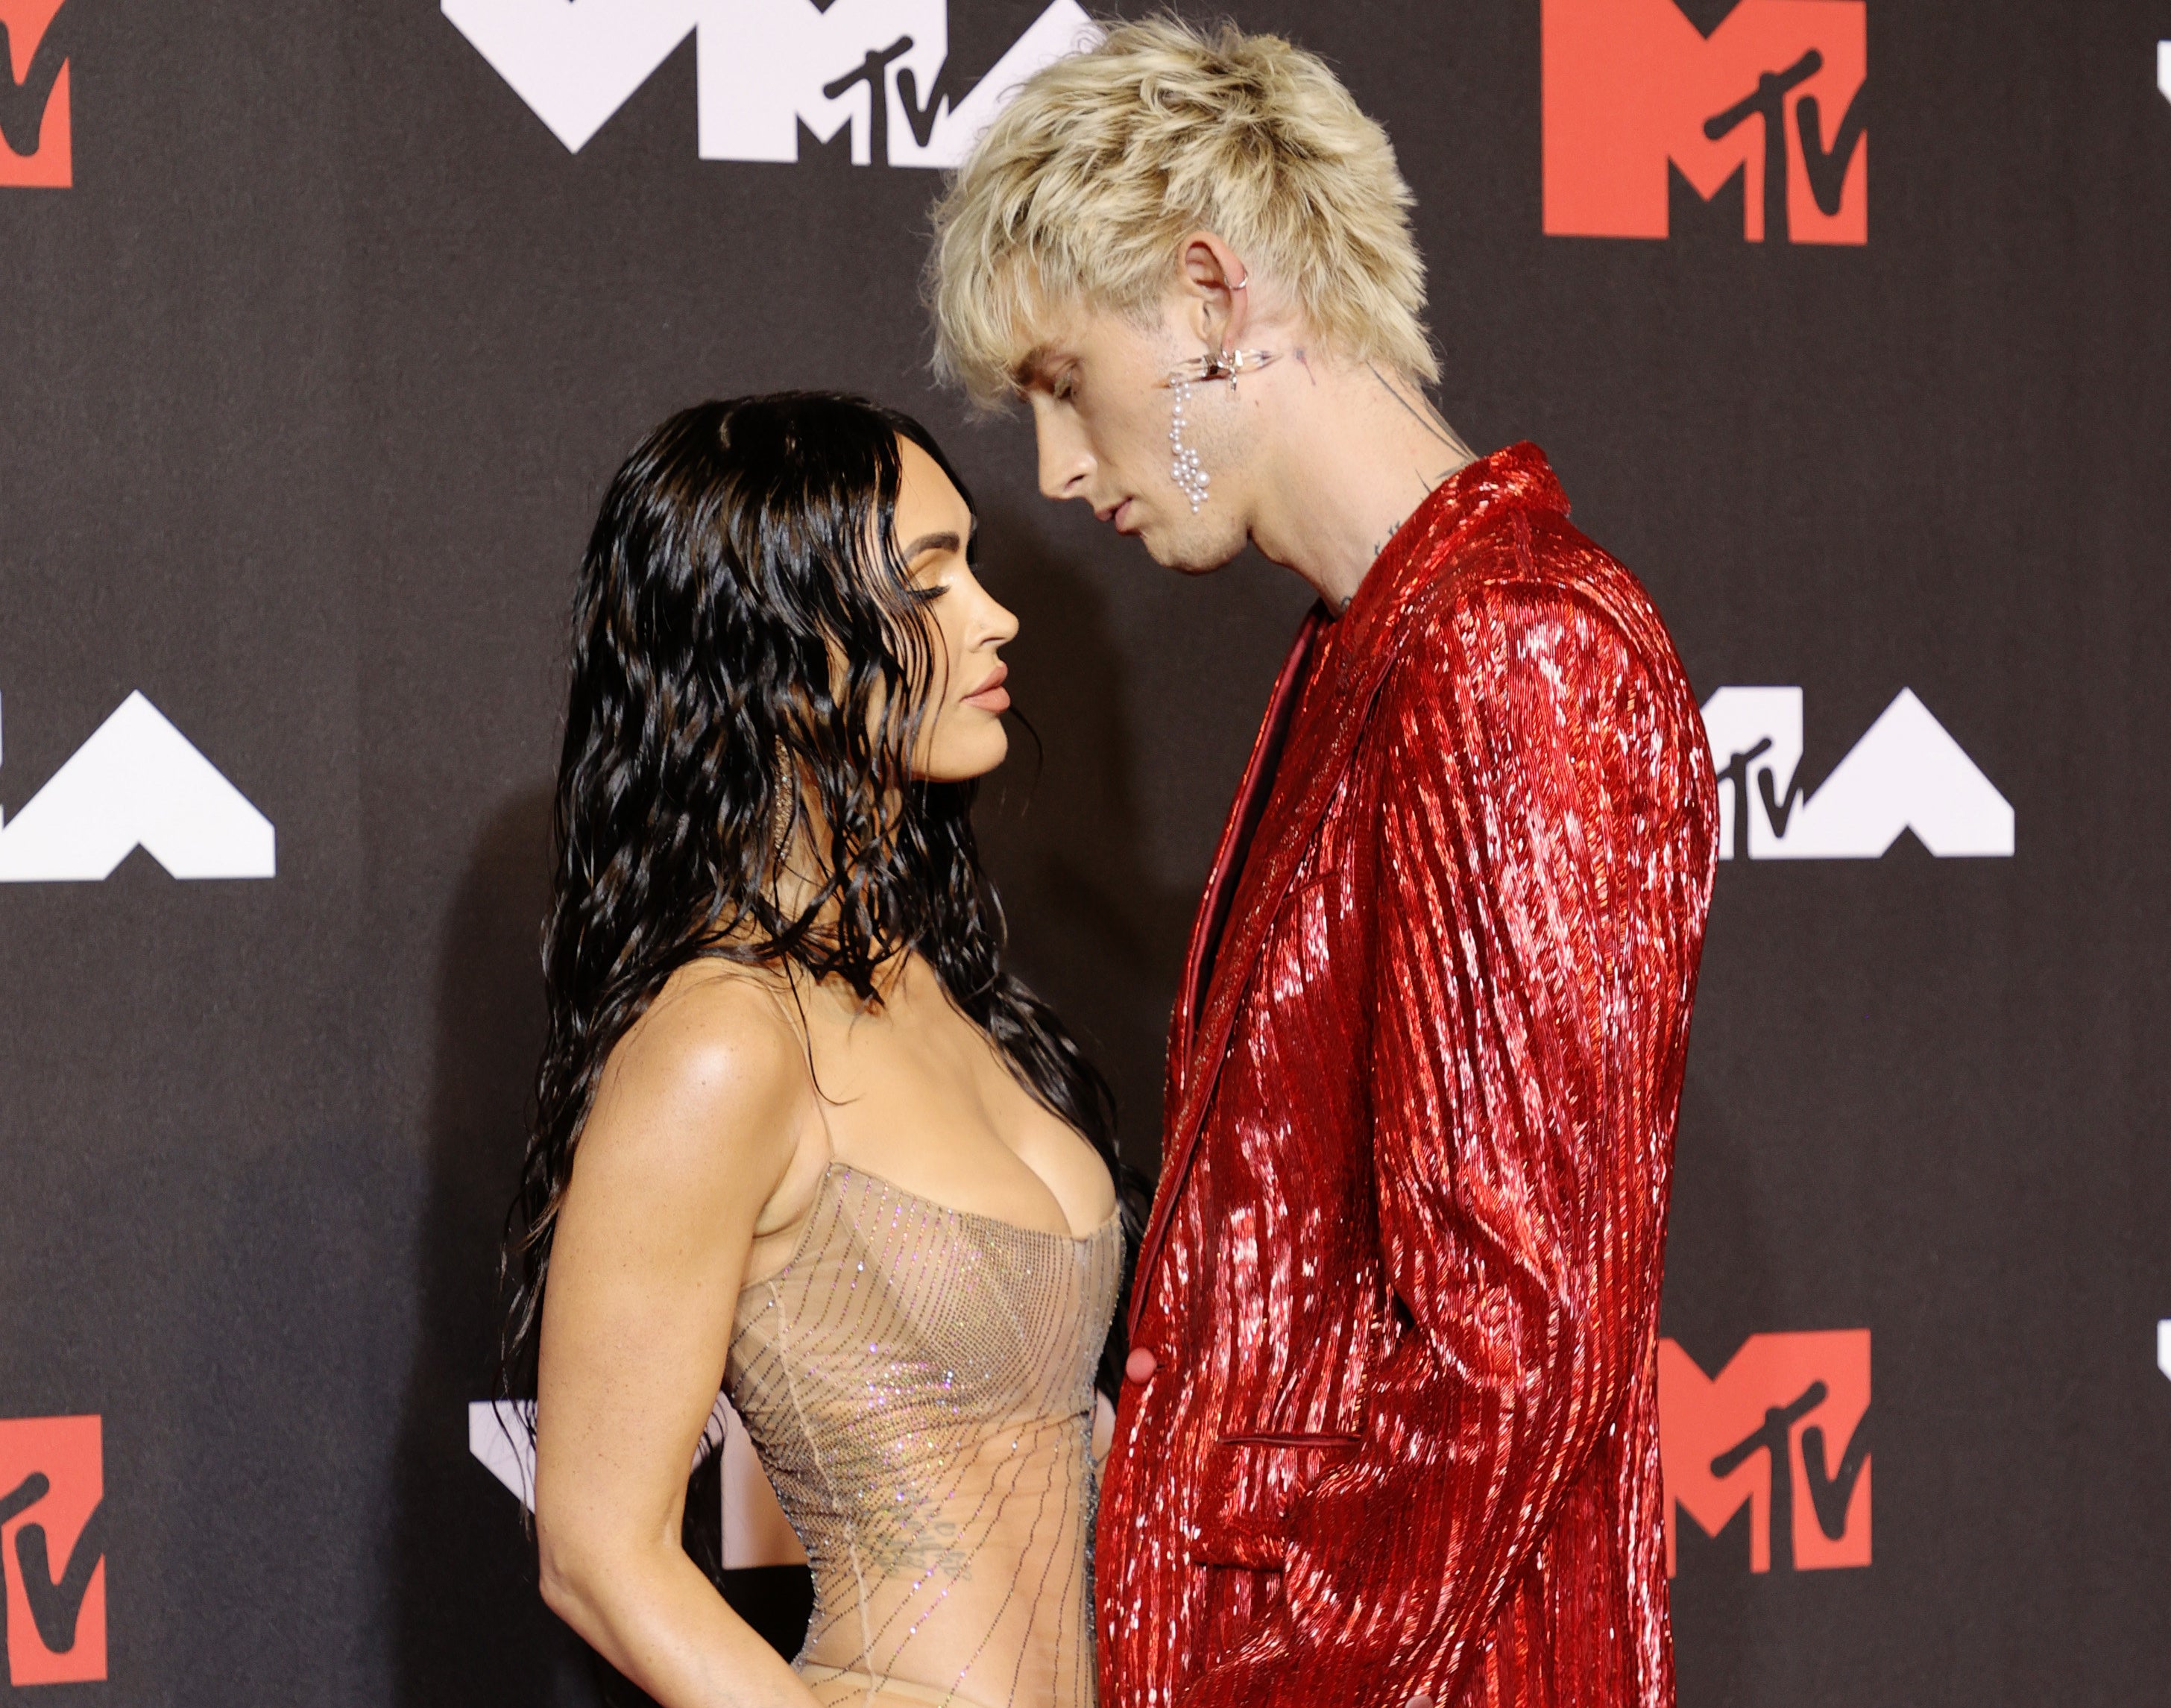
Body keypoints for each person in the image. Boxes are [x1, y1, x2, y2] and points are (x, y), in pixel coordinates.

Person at [929, 20, 1719, 1708]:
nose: (1060, 477)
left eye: (1068, 384)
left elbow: (1513, 1351)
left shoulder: (1511, 652)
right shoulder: (1376, 649)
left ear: (1213, 302)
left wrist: (1242, 1674)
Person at [500, 394, 1138, 1708]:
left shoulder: (944, 988)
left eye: (974, 562)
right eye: (930, 578)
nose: (996, 615)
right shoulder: (720, 1042)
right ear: (785, 658)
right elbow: (597, 1553)